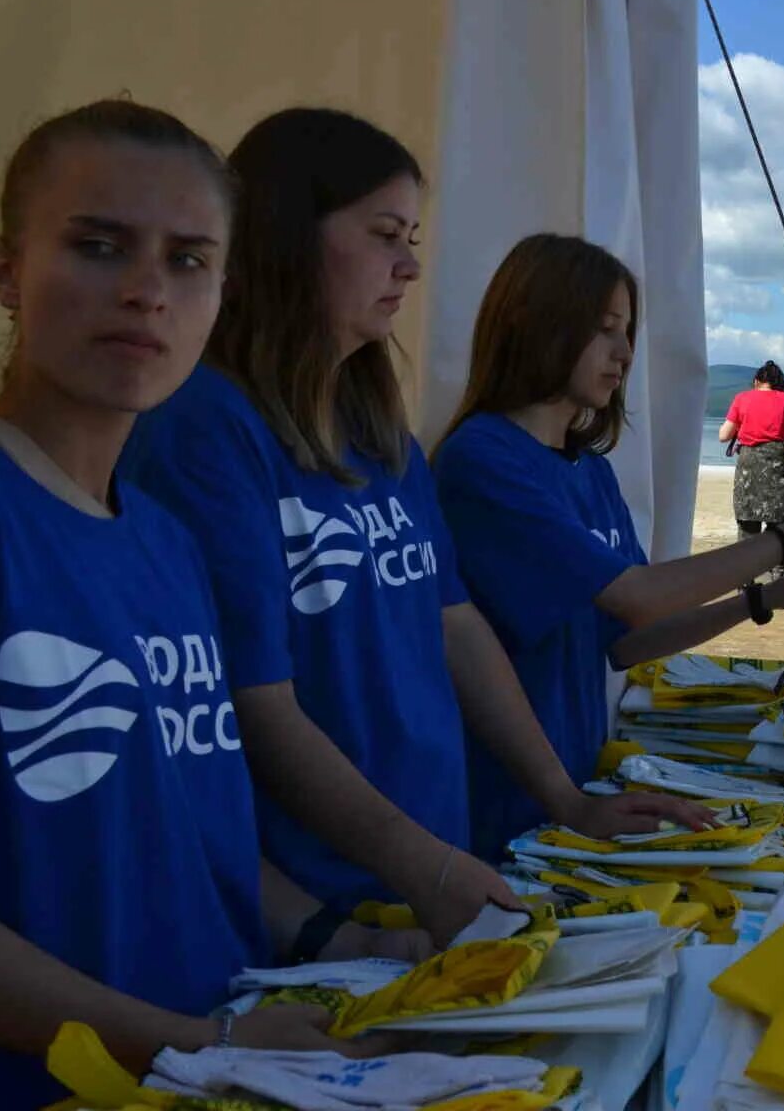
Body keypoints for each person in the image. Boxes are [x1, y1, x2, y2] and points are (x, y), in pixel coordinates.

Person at [123, 108, 698, 948]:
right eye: (387, 234)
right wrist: (414, 871)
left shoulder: (379, 431)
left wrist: (564, 801)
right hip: (316, 897)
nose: (412, 265)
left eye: (414, 236)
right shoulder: (207, 427)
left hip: (429, 861)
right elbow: (254, 704)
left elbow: (454, 625)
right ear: (286, 236)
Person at [0, 101, 402, 1104]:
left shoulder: (165, 539)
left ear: (224, 291)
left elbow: (182, 839)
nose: (148, 292)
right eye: (99, 246)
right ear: (3, 268)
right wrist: (197, 1043)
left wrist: (346, 933)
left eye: (189, 259)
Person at [433, 235, 784, 857]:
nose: (624, 353)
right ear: (538, 325)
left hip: (576, 778)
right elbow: (637, 598)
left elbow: (624, 642)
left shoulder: (587, 469)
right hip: (502, 794)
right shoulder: (484, 459)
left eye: (627, 332)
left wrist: (764, 599)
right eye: (605, 330)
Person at [719, 362, 784, 540]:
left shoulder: (742, 398)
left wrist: (743, 427)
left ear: (757, 381)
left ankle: (748, 564)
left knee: (748, 521)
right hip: (779, 468)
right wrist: (781, 429)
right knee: (781, 520)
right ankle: (781, 566)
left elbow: (723, 435)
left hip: (749, 468)